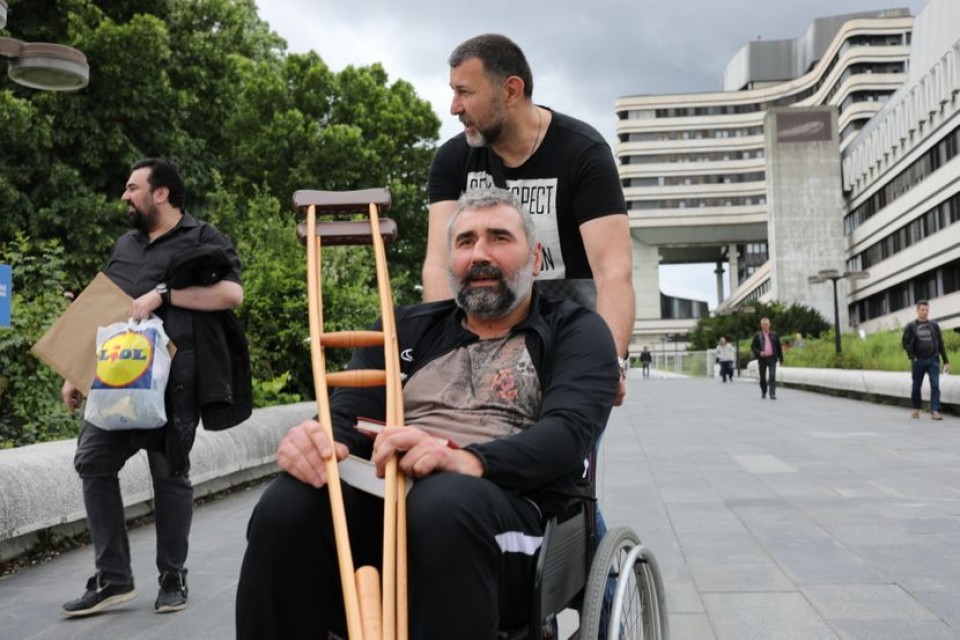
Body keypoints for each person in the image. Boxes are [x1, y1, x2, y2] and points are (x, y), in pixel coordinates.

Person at [235, 188, 618, 639]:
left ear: (535, 259)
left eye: (499, 238)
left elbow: (569, 434)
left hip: (509, 513)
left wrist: (466, 459)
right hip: (391, 502)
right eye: (465, 242)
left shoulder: (575, 330)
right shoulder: (406, 329)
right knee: (286, 507)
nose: (479, 254)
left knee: (441, 504)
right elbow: (348, 416)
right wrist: (317, 439)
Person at [60, 158, 245, 617]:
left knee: (169, 473)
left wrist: (165, 295)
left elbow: (231, 295)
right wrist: (76, 372)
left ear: (161, 193)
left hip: (175, 381)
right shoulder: (125, 245)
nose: (125, 196)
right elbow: (103, 308)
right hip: (117, 380)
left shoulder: (203, 237)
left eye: (132, 187)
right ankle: (113, 577)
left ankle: (172, 575)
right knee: (92, 460)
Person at [423, 33, 634, 403]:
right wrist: (441, 359)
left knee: (560, 433)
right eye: (453, 92)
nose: (454, 107)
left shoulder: (583, 153)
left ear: (511, 90)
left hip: (566, 336)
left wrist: (609, 362)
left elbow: (613, 271)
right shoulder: (452, 160)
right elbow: (439, 265)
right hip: (482, 334)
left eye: (465, 92)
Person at [901, 300, 950, 420]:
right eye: (922, 310)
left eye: (927, 310)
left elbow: (940, 343)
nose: (925, 312)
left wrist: (945, 360)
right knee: (916, 386)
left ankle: (935, 411)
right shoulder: (911, 326)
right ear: (917, 310)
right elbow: (905, 342)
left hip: (933, 359)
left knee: (935, 385)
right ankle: (916, 408)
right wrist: (912, 356)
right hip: (918, 360)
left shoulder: (934, 326)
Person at [750, 318, 783, 399]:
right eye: (763, 325)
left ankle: (772, 393)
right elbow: (753, 347)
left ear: (769, 325)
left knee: (772, 375)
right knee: (762, 377)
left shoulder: (774, 334)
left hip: (772, 358)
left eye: (767, 324)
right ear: (761, 326)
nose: (765, 326)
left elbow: (779, 347)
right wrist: (759, 353)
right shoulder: (758, 335)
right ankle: (764, 391)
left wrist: (781, 359)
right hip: (762, 359)